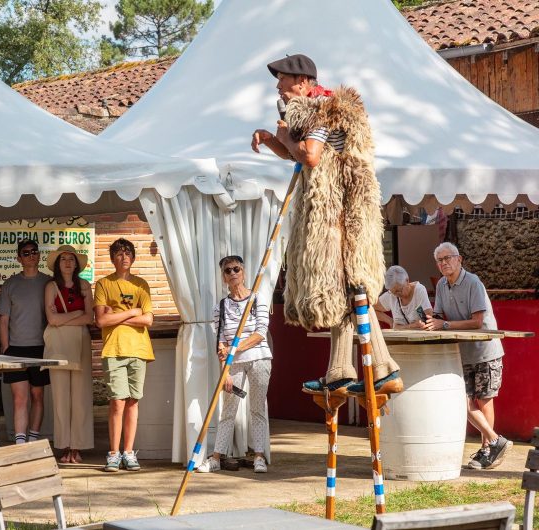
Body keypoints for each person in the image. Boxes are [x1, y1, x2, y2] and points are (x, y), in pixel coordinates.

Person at [250, 54, 402, 397]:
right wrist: (273, 138)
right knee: (346, 291)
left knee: (349, 287)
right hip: (336, 212)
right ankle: (346, 370)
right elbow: (296, 154)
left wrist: (285, 135)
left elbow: (309, 155)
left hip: (340, 217)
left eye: (283, 80)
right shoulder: (316, 111)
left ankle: (381, 367)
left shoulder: (323, 109)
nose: (279, 87)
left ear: (302, 82)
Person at [423, 242, 510, 469]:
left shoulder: (473, 282)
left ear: (459, 259)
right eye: (439, 260)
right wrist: (430, 319)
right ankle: (494, 441)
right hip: (461, 352)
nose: (443, 263)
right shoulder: (442, 284)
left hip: (485, 350)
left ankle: (487, 452)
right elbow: (440, 314)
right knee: (462, 400)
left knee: (484, 400)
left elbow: (478, 321)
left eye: (447, 258)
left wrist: (444, 325)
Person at [197, 255, 272, 474]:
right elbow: (220, 343)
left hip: (259, 359)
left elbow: (260, 334)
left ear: (243, 272)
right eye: (228, 271)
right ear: (223, 277)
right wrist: (225, 371)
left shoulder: (258, 299)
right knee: (228, 410)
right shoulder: (221, 306)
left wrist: (235, 348)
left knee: (257, 408)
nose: (232, 274)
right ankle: (217, 458)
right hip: (233, 364)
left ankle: (259, 456)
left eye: (236, 269)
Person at [94, 238, 153, 472]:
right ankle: (113, 453)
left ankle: (129, 452)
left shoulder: (141, 284)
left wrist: (117, 315)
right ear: (112, 258)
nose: (124, 257)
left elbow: (148, 319)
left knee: (132, 401)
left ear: (133, 257)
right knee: (117, 401)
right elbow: (101, 320)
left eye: (128, 253)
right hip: (114, 349)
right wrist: (133, 311)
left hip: (138, 349)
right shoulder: (103, 284)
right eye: (119, 254)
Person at [43, 245, 94, 464]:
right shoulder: (51, 286)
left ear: (76, 263)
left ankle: (78, 446)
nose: (67, 262)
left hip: (81, 342)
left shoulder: (85, 285)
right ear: (57, 263)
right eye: (63, 258)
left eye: (71, 259)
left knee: (81, 397)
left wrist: (65, 318)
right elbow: (51, 320)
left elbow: (89, 318)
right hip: (59, 346)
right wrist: (77, 312)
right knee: (61, 398)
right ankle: (64, 446)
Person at [0, 239, 51, 445]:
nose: (31, 255)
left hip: (41, 348)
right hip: (16, 349)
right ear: (19, 258)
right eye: (26, 253)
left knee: (37, 396)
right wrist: (6, 349)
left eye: (34, 252)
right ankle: (21, 445)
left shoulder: (49, 282)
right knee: (20, 398)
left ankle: (33, 439)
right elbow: (4, 320)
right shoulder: (10, 284)